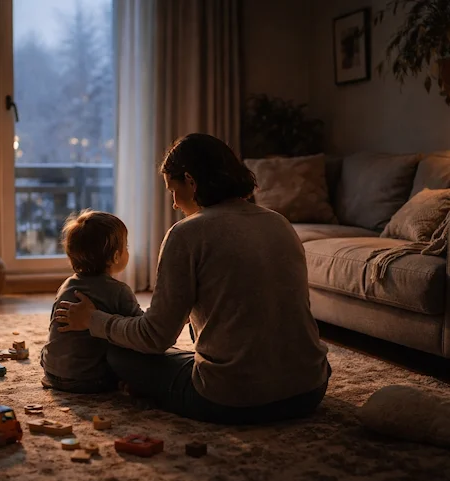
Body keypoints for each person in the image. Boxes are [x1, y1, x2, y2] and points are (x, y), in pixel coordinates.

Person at [54, 133, 330, 424]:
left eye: (173, 190)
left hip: (233, 400)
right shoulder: (280, 222)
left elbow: (154, 338)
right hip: (309, 390)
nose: (174, 203)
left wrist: (94, 320)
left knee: (120, 353)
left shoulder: (187, 233)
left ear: (190, 181)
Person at [40, 210, 142, 393]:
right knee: (127, 353)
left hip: (52, 371)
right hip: (90, 379)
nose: (128, 251)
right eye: (126, 246)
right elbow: (140, 330)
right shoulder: (119, 291)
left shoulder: (67, 285)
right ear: (116, 256)